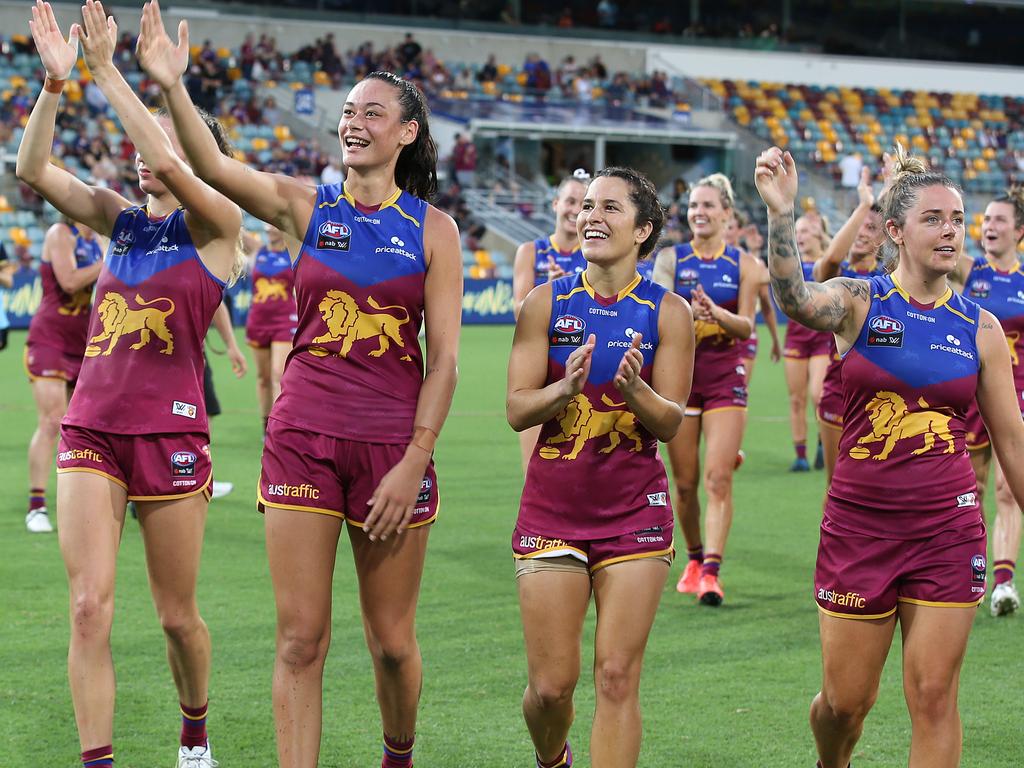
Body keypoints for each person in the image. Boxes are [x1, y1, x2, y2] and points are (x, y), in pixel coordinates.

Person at [136, 4, 462, 766]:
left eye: (372, 113)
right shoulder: (305, 206)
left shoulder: (432, 229)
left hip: (392, 451)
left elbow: (444, 360)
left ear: (406, 132)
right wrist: (174, 91)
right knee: (298, 640)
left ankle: (398, 752)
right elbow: (211, 171)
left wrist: (416, 458)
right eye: (347, 111)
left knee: (390, 646)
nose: (354, 122)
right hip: (301, 441)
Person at [17, 2, 246, 766]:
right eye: (145, 145)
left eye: (170, 142)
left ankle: (194, 732)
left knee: (177, 617)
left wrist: (110, 69)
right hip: (92, 432)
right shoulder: (120, 222)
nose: (149, 155)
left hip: (172, 439)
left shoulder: (219, 232)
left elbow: (181, 167)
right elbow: (33, 170)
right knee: (88, 609)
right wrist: (55, 86)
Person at [756, 143, 1024, 768]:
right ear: (896, 231)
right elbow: (794, 299)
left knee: (934, 696)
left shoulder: (979, 329)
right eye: (934, 218)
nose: (951, 230)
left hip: (948, 530)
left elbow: (1010, 439)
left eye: (956, 218)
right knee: (846, 704)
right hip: (860, 528)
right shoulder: (857, 301)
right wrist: (779, 215)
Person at [507, 167, 692, 768]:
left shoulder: (669, 313)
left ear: (642, 230)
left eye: (610, 208)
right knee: (550, 690)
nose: (592, 216)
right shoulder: (545, 302)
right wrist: (564, 388)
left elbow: (670, 422)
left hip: (635, 513)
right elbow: (515, 409)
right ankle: (551, 758)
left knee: (616, 676)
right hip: (552, 511)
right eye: (588, 205)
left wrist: (634, 391)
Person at [652, 173, 758, 605]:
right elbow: (656, 314)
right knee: (685, 483)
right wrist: (689, 323)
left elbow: (746, 326)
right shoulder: (672, 259)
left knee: (717, 478)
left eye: (708, 206)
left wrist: (716, 314)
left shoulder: (745, 265)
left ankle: (712, 571)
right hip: (682, 379)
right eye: (694, 205)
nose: (699, 212)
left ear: (726, 214)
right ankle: (694, 559)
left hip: (724, 378)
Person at [957, 186, 1024, 616]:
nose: (990, 226)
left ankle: (1003, 581)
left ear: (1019, 231)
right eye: (987, 219)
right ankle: (968, 572)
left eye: (1000, 220)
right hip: (966, 392)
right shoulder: (966, 269)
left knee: (1006, 488)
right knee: (969, 488)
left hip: (1015, 394)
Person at [23, 216, 102, 533]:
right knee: (52, 420)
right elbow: (69, 281)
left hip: (83, 341)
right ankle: (36, 506)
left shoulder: (95, 239)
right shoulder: (60, 233)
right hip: (50, 340)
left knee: (81, 424)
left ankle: (80, 498)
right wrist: (111, 260)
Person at [812, 168, 885, 486]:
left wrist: (893, 191)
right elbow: (827, 262)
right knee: (837, 486)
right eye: (858, 225)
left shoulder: (890, 279)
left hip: (883, 395)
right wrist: (864, 205)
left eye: (872, 227)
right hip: (838, 391)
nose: (862, 231)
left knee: (878, 487)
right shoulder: (837, 277)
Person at [512, 169, 588, 473]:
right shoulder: (531, 252)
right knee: (535, 471)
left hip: (583, 371)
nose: (575, 210)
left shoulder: (595, 255)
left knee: (581, 469)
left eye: (584, 204)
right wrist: (550, 294)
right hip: (538, 372)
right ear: (556, 203)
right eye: (570, 201)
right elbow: (520, 312)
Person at [782, 214, 831, 471]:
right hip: (796, 337)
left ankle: (825, 442)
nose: (800, 236)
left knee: (819, 395)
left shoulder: (829, 262)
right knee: (796, 399)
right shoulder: (791, 263)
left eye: (806, 231)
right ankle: (800, 455)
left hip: (822, 337)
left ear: (820, 234)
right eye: (797, 231)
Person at [244, 223, 296, 433]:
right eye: (266, 225)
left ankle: (277, 427)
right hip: (258, 321)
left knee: (278, 374)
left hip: (285, 320)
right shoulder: (258, 250)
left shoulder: (293, 251)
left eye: (273, 224)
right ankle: (265, 424)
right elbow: (237, 229)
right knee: (263, 378)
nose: (268, 228)